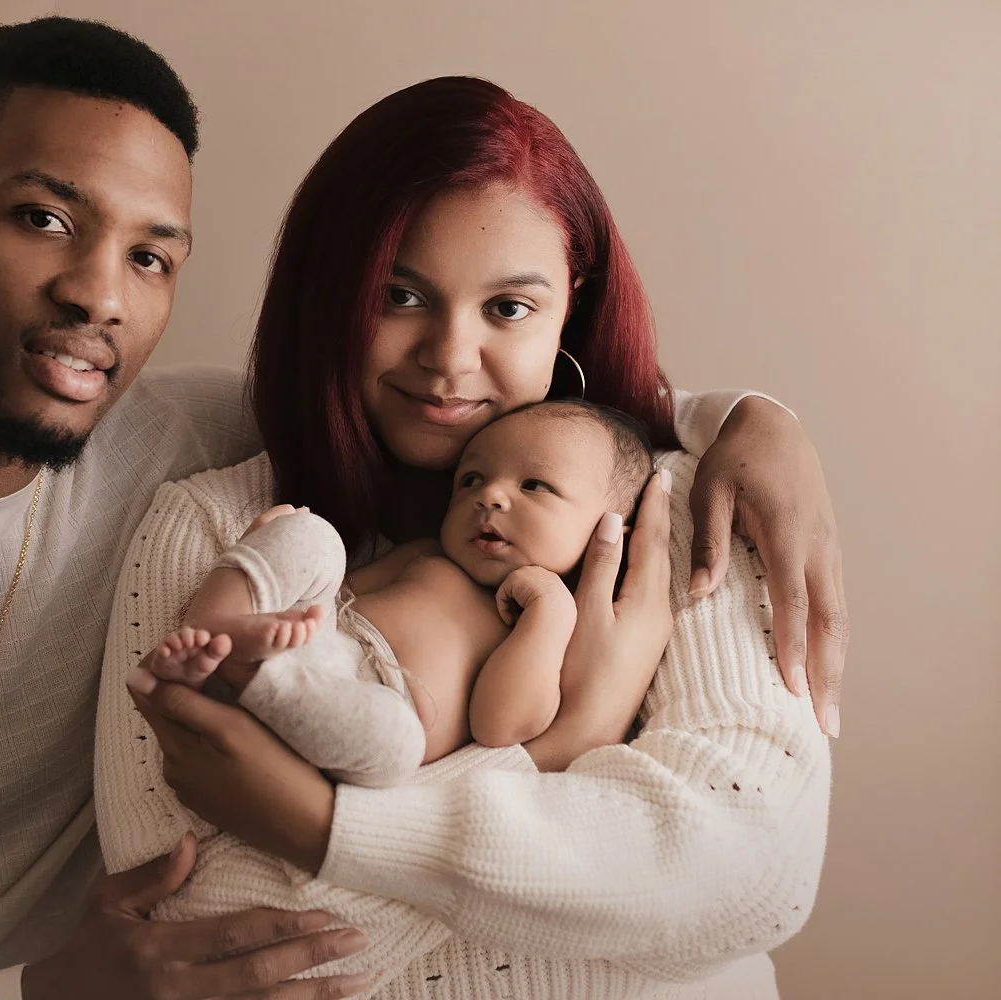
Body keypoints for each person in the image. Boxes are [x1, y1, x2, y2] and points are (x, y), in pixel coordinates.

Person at [0, 16, 843, 1000]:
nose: (99, 292)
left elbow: (751, 871)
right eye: (44, 219)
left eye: (152, 255)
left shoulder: (188, 434)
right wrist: (42, 995)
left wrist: (751, 421)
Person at [98, 77, 838, 998]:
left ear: (570, 310)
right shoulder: (220, 533)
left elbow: (750, 880)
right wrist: (569, 742)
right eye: (399, 295)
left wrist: (320, 829)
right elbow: (198, 930)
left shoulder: (676, 507)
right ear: (329, 295)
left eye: (508, 308)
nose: (449, 357)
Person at [139, 400, 659, 790]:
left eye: (534, 486)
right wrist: (278, 558)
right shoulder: (426, 553)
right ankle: (218, 624)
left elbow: (499, 725)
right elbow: (336, 595)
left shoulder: (550, 628)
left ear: (609, 531)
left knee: (398, 742)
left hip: (370, 710)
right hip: (316, 641)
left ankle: (256, 672)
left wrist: (550, 612)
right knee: (312, 535)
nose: (489, 496)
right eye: (471, 480)